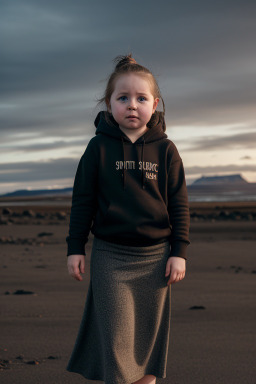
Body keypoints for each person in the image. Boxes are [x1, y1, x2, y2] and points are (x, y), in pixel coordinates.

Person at [66, 54, 190, 384]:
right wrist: (75, 248)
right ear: (109, 104)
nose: (132, 106)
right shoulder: (97, 149)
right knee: (118, 342)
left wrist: (179, 252)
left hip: (156, 259)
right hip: (111, 257)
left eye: (141, 98)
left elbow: (179, 205)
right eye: (123, 98)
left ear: (155, 103)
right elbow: (82, 203)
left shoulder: (166, 150)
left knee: (147, 344)